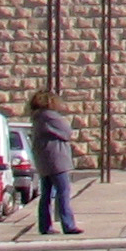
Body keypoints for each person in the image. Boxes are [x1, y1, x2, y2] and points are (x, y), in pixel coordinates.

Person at [26, 90, 81, 237]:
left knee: (46, 194)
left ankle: (45, 225)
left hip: (44, 160)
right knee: (63, 191)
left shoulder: (37, 118)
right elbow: (67, 132)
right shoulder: (50, 117)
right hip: (56, 159)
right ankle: (68, 224)